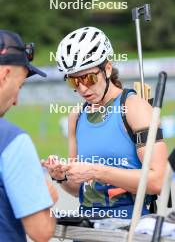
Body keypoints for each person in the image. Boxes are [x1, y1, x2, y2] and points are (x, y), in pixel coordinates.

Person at [43, 26, 168, 219]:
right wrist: (61, 176)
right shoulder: (76, 116)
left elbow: (157, 181)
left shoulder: (134, 107)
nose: (83, 89)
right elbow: (78, 189)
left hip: (130, 227)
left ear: (107, 69)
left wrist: (96, 171)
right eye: (74, 82)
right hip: (89, 228)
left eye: (89, 78)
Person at [0, 30, 58, 242]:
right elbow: (41, 232)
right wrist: (48, 200)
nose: (16, 101)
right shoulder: (12, 140)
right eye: (20, 86)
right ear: (5, 75)